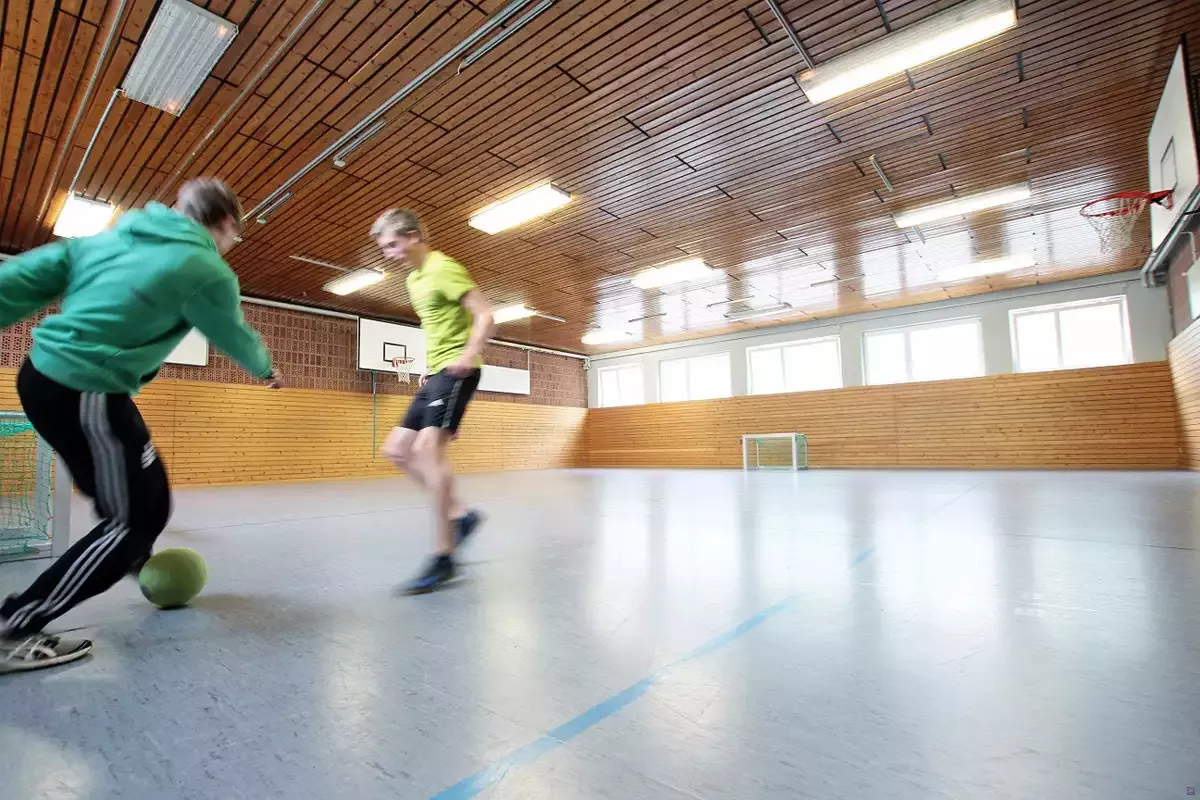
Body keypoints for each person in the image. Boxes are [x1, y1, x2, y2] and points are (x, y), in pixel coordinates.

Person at [0, 179, 280, 674]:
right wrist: (265, 369)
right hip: (86, 388)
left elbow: (26, 276)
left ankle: (128, 556)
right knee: (139, 516)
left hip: (42, 377)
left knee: (128, 490)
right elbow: (232, 331)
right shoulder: (205, 268)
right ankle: (13, 627)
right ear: (225, 224)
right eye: (234, 237)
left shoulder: (112, 239)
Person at [372, 209, 494, 594]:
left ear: (412, 236)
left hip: (458, 370)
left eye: (392, 244)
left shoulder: (444, 268)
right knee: (396, 450)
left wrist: (467, 355)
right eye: (384, 248)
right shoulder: (413, 280)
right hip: (436, 373)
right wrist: (428, 366)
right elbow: (437, 327)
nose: (388, 253)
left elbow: (485, 315)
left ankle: (444, 557)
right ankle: (461, 514)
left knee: (428, 453)